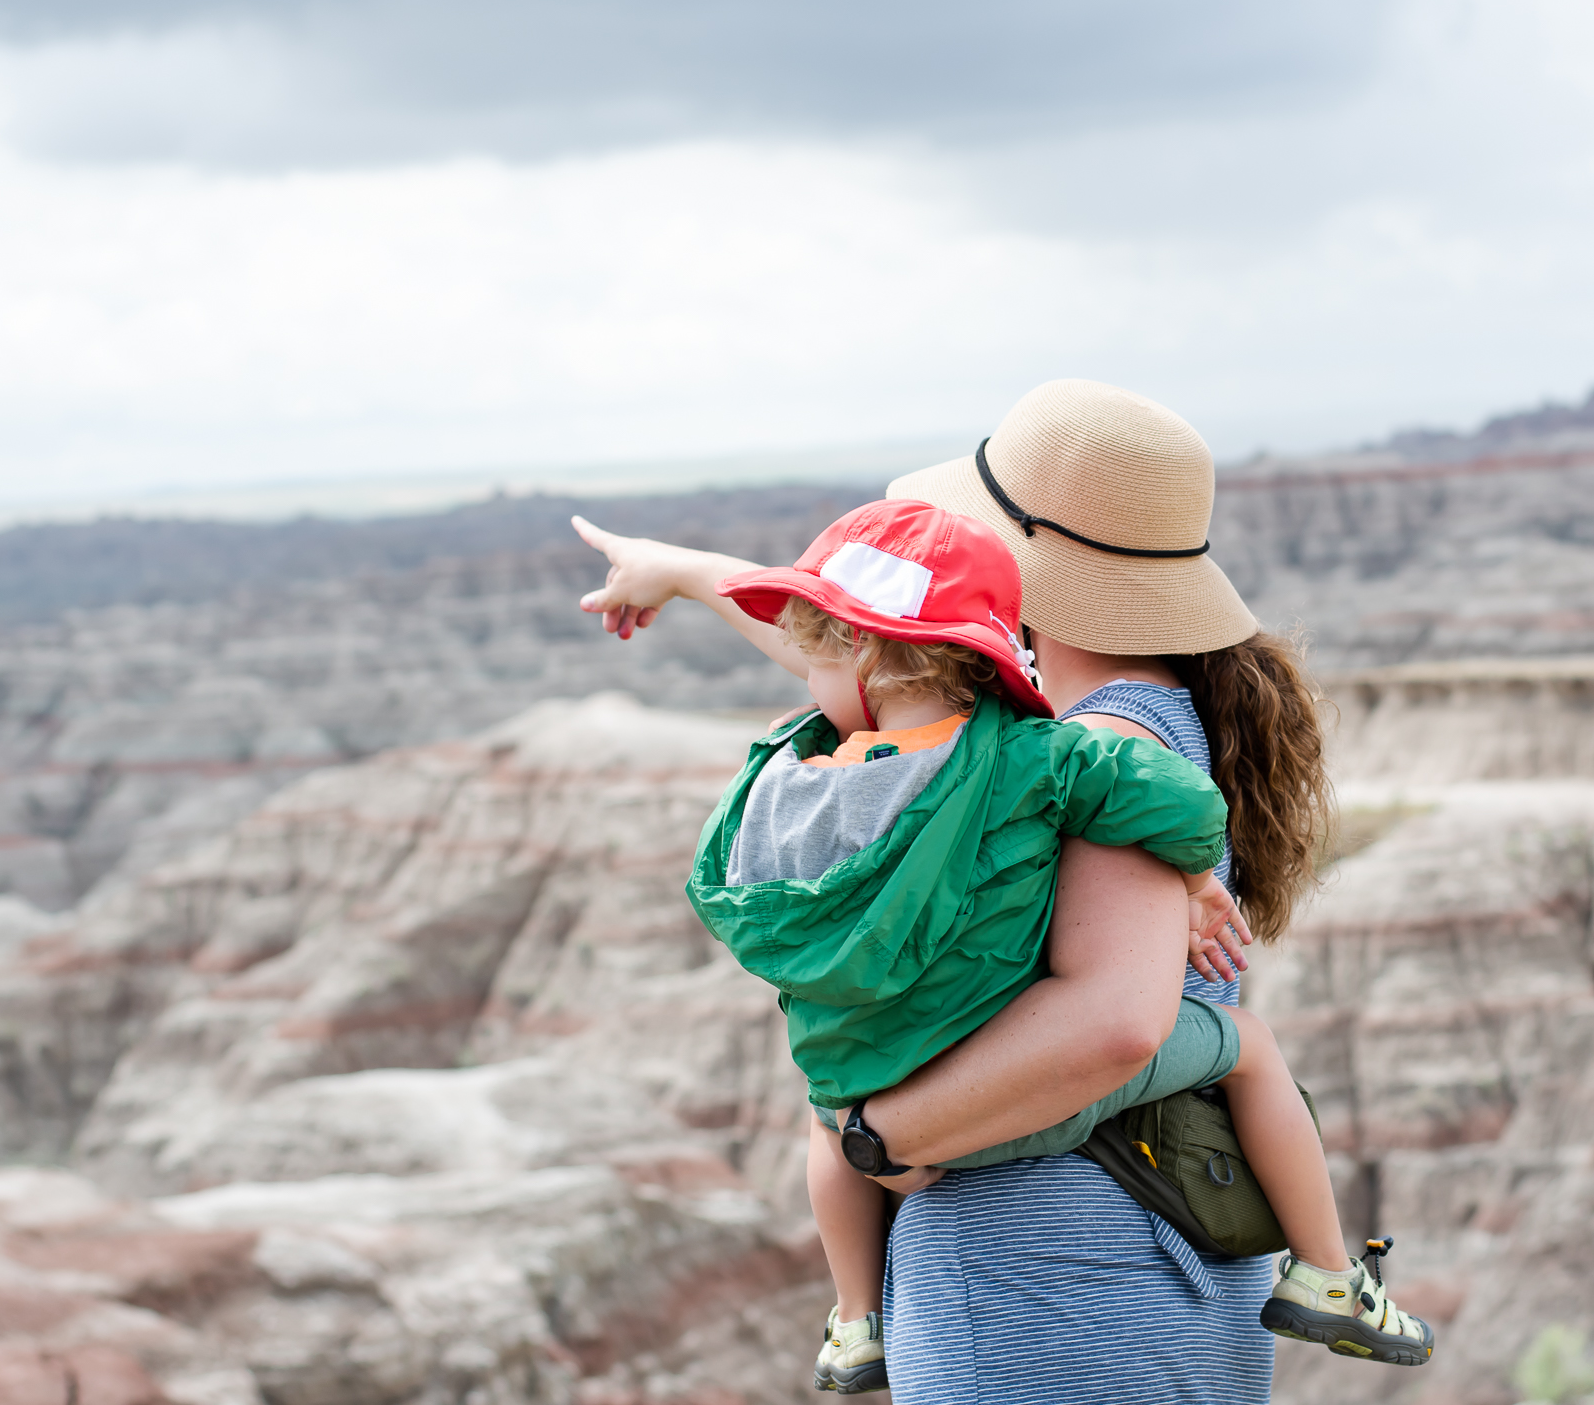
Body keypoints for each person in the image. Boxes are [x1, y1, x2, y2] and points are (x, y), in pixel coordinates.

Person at [576, 379, 1435, 1403]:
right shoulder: (1064, 725)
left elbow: (1115, 1023)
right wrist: (679, 572)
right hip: (1134, 1255)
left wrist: (875, 1136)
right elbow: (851, 660)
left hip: (1047, 1269)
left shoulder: (1107, 740)